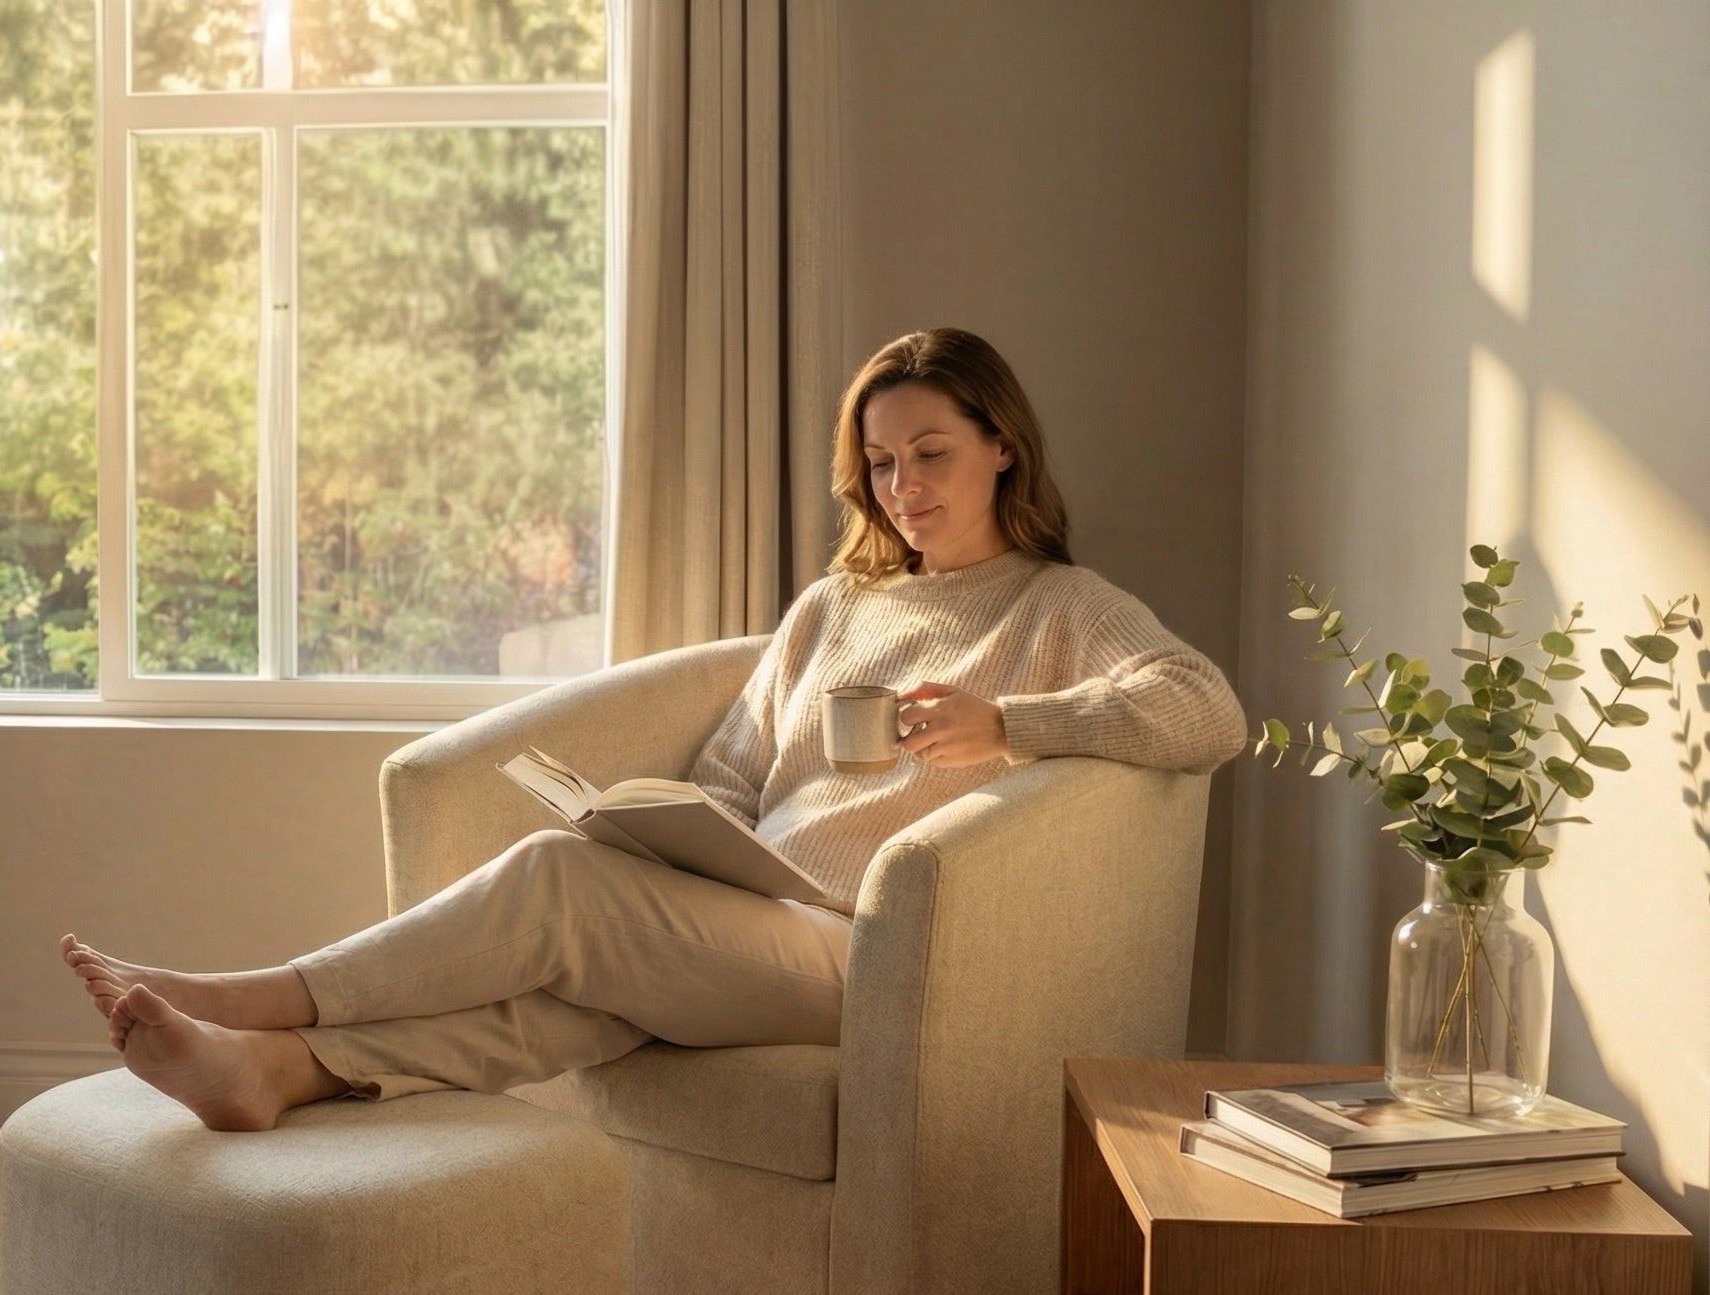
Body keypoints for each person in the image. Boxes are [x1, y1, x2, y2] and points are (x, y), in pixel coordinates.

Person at [62, 326, 1246, 1131]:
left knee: (555, 887)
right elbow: (733, 766)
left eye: (931, 453)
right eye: (879, 463)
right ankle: (276, 1072)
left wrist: (1007, 723)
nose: (903, 486)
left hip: (868, 953)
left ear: (1002, 447)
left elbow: (1205, 710)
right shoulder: (835, 604)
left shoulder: (1060, 606)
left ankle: (261, 996)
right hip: (752, 916)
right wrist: (680, 841)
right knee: (576, 992)